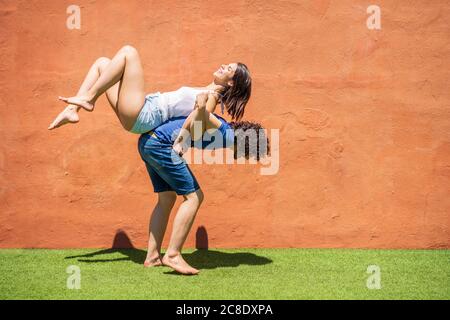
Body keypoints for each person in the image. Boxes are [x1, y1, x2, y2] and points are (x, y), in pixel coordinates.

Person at [138, 92, 268, 275]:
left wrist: (201, 105)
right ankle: (173, 255)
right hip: (161, 144)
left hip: (147, 142)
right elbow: (203, 113)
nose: (247, 158)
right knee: (194, 197)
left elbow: (200, 116)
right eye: (251, 154)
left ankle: (152, 257)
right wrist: (202, 101)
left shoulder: (227, 132)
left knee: (166, 198)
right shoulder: (229, 135)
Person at [48, 45, 252, 132]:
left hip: (145, 114)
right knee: (102, 63)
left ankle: (89, 99)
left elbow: (196, 128)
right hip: (141, 111)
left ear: (231, 82)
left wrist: (200, 112)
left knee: (129, 52)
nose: (224, 65)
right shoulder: (208, 92)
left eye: (229, 69)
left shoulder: (212, 98)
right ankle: (73, 110)